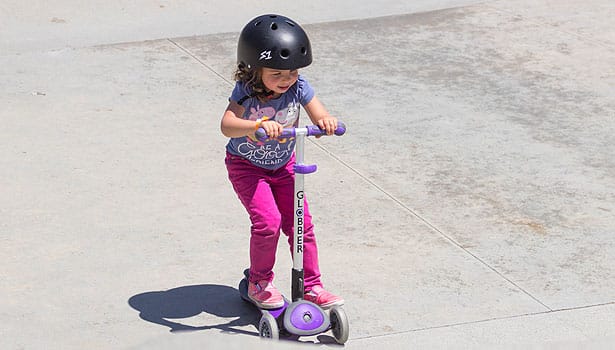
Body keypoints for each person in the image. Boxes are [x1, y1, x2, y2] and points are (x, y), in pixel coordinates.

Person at [220, 14, 344, 309]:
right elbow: (227, 124)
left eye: (292, 72)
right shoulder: (246, 91)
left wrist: (325, 122)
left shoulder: (298, 87)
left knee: (301, 224)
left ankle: (312, 287)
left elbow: (319, 113)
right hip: (247, 167)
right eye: (276, 73)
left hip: (285, 165)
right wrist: (254, 126)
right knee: (268, 222)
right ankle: (259, 282)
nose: (286, 79)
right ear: (253, 68)